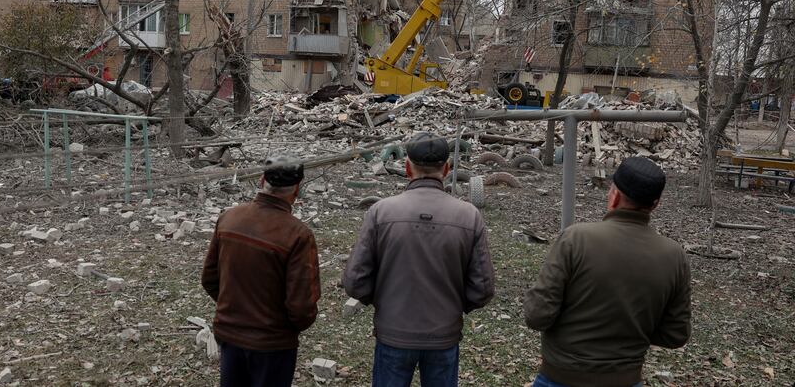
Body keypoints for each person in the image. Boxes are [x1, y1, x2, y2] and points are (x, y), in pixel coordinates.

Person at [343, 132, 495, 387]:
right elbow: (483, 288)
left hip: (393, 333)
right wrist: (453, 307)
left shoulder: (380, 212)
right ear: (446, 169)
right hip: (443, 335)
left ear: (407, 167)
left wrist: (383, 302)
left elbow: (355, 281)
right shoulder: (469, 216)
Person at [523, 156, 691, 387]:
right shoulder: (675, 256)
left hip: (560, 378)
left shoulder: (575, 239)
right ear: (655, 204)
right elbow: (676, 335)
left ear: (614, 196)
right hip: (626, 379)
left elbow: (537, 315)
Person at [201, 155, 321, 387]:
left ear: (261, 180)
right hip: (273, 344)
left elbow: (209, 278)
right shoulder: (298, 235)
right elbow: (301, 306)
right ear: (297, 189)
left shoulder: (229, 218)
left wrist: (235, 309)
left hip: (230, 334)